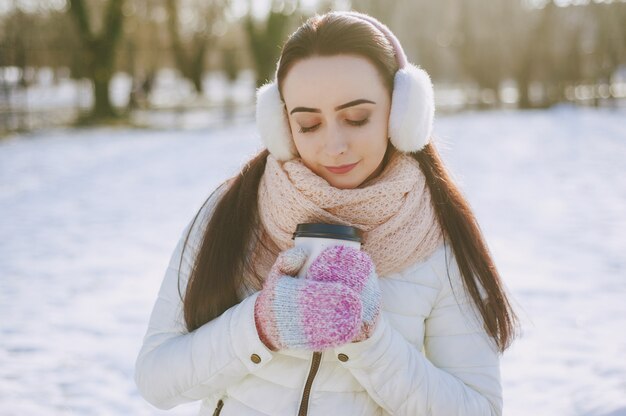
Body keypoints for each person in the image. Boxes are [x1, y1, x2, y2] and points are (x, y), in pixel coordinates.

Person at [134, 11, 518, 416]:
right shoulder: (230, 212)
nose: (334, 145)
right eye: (309, 124)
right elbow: (156, 379)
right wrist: (260, 325)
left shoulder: (437, 239)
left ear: (403, 112)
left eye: (357, 118)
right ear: (282, 127)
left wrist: (370, 342)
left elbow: (478, 408)